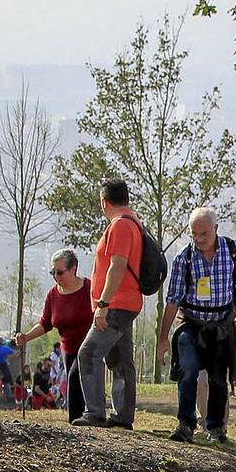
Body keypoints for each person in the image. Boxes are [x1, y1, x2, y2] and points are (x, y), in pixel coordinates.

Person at [156, 206, 236, 443]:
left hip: (221, 326)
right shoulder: (183, 259)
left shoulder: (233, 250)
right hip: (192, 325)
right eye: (194, 234)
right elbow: (173, 300)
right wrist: (163, 337)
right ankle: (185, 424)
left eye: (204, 234)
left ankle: (216, 427)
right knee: (187, 370)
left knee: (218, 377)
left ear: (215, 229)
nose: (199, 239)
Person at [74, 179, 146, 430]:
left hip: (117, 304)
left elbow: (117, 265)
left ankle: (94, 412)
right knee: (120, 359)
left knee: (89, 353)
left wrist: (102, 304)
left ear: (104, 202)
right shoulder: (134, 222)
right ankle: (122, 416)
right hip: (127, 301)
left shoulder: (120, 226)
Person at [15, 249, 94, 423]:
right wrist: (26, 337)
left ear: (73, 269)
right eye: (53, 272)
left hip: (90, 346)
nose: (56, 276)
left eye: (60, 272)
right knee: (74, 383)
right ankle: (78, 422)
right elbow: (45, 323)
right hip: (68, 348)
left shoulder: (89, 289)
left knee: (75, 379)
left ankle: (86, 419)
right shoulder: (53, 294)